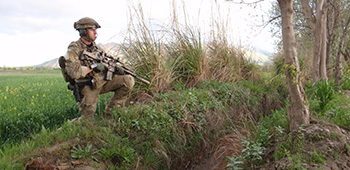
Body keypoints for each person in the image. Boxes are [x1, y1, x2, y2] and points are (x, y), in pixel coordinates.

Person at [60, 17, 135, 120]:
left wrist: (116, 69)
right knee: (87, 119)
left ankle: (113, 111)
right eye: (92, 29)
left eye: (95, 30)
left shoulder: (97, 48)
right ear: (84, 31)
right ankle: (61, 132)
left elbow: (106, 62)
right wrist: (93, 67)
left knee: (128, 80)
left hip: (101, 81)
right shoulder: (74, 49)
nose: (95, 33)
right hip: (87, 85)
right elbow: (73, 72)